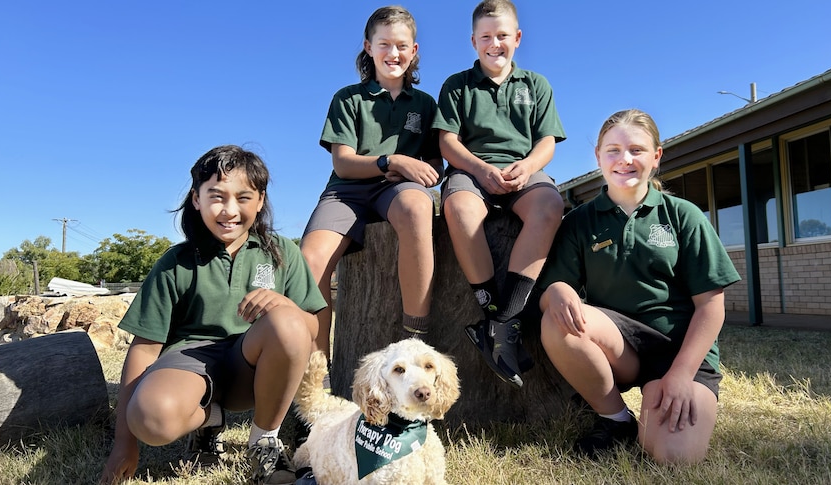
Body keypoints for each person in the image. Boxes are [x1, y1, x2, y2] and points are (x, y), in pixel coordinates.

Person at [99, 145, 326, 485]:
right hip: (190, 363)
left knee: (289, 321)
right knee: (150, 418)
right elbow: (144, 348)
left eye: (243, 197)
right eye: (217, 196)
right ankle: (210, 421)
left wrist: (285, 306)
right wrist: (124, 442)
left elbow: (311, 324)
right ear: (196, 199)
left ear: (261, 200)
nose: (229, 210)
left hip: (251, 368)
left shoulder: (282, 253)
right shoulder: (175, 262)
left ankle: (264, 442)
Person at [537, 109, 741, 463]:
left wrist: (680, 374)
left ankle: (657, 397)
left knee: (673, 456)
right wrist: (557, 290)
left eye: (637, 150)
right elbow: (553, 289)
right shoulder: (578, 222)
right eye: (613, 150)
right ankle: (616, 419)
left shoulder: (683, 216)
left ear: (657, 156)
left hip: (682, 352)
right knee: (557, 319)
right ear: (598, 156)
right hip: (622, 347)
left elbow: (712, 305)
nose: (624, 160)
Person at [299, 6, 442, 370]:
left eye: (401, 45)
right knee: (310, 261)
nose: (393, 53)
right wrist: (391, 160)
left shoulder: (425, 105)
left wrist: (420, 171)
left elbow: (434, 166)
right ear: (368, 47)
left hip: (397, 190)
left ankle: (415, 342)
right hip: (347, 190)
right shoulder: (348, 98)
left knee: (418, 207)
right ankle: (315, 375)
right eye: (384, 44)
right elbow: (342, 162)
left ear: (414, 51)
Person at [432, 0, 565, 388]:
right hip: (472, 172)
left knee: (551, 206)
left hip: (522, 171)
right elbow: (447, 141)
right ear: (473, 41)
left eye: (503, 35)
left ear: (518, 38)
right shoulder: (457, 85)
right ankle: (490, 305)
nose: (495, 44)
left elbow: (546, 141)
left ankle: (502, 322)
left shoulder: (536, 85)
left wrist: (526, 166)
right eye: (486, 37)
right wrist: (479, 169)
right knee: (458, 208)